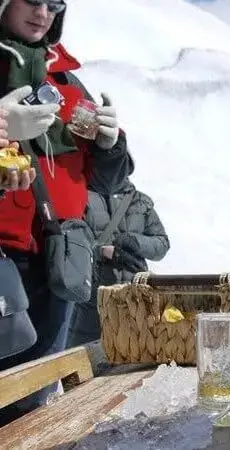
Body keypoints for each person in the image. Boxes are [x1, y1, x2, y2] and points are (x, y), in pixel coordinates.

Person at [0, 0, 133, 423]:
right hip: (4, 258)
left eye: (54, 4)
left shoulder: (66, 80)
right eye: (31, 0)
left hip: (61, 256)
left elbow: (108, 183)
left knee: (35, 396)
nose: (43, 13)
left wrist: (113, 148)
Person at [67, 178, 170, 347]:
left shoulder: (140, 201)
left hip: (133, 296)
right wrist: (100, 251)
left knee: (135, 357)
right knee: (82, 356)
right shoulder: (81, 196)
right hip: (91, 298)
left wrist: (135, 242)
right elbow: (70, 239)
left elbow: (162, 244)